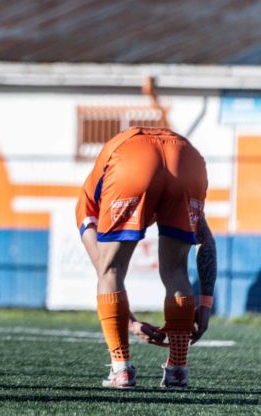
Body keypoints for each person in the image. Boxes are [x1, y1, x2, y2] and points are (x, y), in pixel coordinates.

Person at [76, 127, 217, 389]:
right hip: (187, 159)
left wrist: (129, 323)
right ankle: (178, 370)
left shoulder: (87, 202)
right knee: (176, 271)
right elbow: (206, 241)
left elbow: (105, 270)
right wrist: (206, 305)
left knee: (112, 270)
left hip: (132, 160)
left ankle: (121, 370)